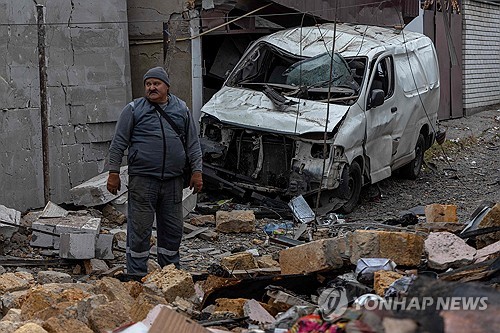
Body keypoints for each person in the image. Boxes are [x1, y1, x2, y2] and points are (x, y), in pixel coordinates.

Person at [107, 66, 203, 280]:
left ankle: (170, 274)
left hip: (173, 182)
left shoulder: (181, 110)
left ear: (167, 86)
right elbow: (118, 144)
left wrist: (197, 171)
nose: (151, 88)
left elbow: (193, 144)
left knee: (172, 230)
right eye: (148, 84)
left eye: (156, 83)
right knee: (139, 230)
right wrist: (113, 172)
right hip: (143, 180)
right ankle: (136, 276)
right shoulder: (133, 110)